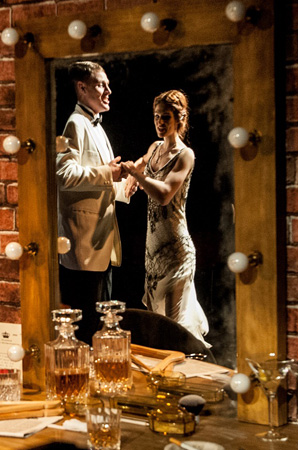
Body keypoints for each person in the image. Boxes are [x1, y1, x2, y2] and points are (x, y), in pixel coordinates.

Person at [122, 90, 210, 348]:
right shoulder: (155, 148)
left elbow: (164, 194)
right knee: (156, 325)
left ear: (179, 119)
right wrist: (131, 174)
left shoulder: (185, 155)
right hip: (153, 250)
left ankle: (182, 369)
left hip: (175, 250)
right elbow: (140, 164)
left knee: (172, 328)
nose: (160, 122)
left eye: (166, 117)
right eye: (156, 117)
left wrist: (137, 176)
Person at [56, 61, 134, 344]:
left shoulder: (96, 126)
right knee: (88, 327)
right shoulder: (75, 123)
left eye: (107, 85)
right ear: (82, 88)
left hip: (100, 242)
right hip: (83, 245)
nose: (108, 91)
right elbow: (64, 175)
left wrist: (124, 187)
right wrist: (108, 173)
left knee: (100, 323)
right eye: (102, 84)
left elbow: (99, 181)